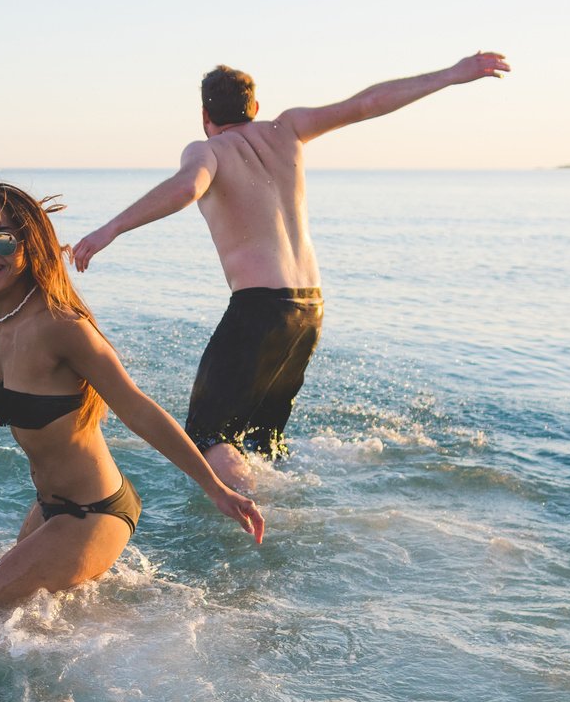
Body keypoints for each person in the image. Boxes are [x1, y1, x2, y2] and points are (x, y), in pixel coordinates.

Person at [71, 51, 509, 493]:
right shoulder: (290, 129)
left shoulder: (206, 150)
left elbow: (187, 186)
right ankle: (277, 501)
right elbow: (366, 104)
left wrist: (111, 229)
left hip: (259, 308)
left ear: (204, 115)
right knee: (264, 441)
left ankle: (261, 517)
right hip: (309, 309)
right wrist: (452, 75)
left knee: (208, 439)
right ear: (254, 108)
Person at [0, 183, 264, 607]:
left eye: (0, 238)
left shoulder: (62, 326)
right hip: (50, 507)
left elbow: (138, 409)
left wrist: (216, 488)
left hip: (94, 512)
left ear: (29, 245)